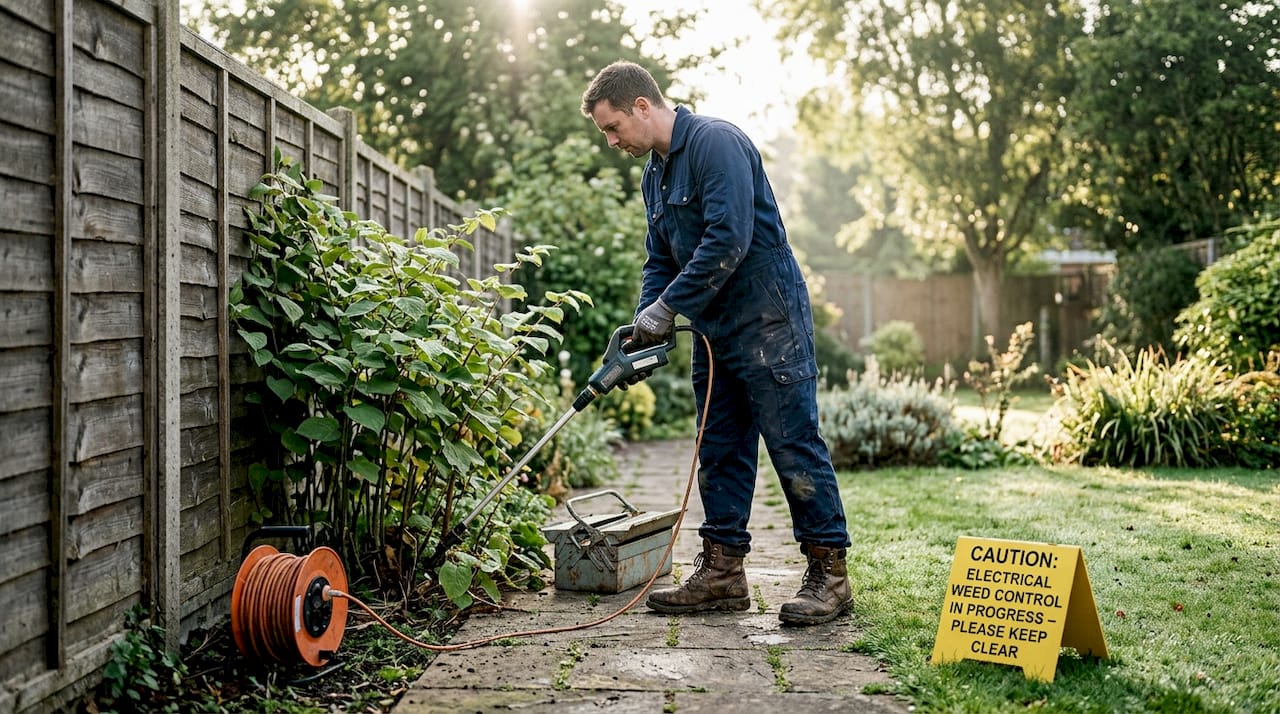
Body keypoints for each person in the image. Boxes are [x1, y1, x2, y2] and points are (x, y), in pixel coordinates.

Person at [580, 61, 852, 626]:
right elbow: (660, 258)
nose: (611, 142)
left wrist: (668, 309)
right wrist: (645, 319)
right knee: (720, 446)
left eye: (612, 128)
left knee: (793, 443)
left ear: (641, 106)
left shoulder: (716, 143)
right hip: (714, 329)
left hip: (768, 320)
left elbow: (729, 238)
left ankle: (830, 576)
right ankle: (723, 572)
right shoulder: (654, 176)